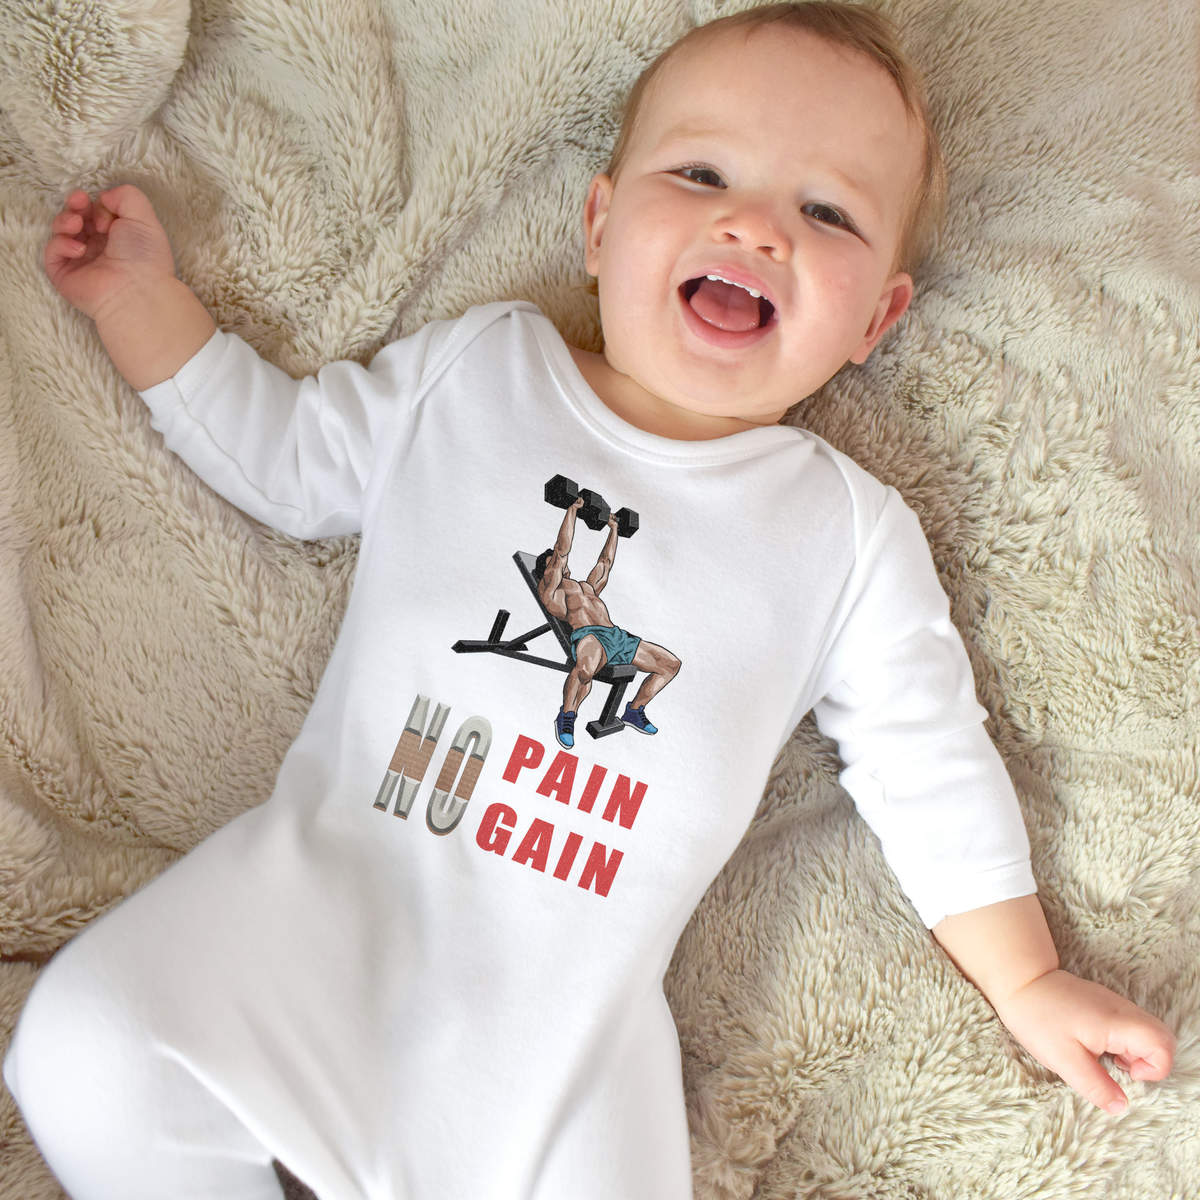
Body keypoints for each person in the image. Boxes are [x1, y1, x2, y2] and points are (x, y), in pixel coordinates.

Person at [5, 4, 1175, 1198]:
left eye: (827, 213)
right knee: (88, 1044)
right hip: (322, 905)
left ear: (876, 316)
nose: (755, 225)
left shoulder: (846, 535)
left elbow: (929, 762)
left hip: (562, 1034)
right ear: (601, 227)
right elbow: (290, 460)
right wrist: (139, 303)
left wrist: (1027, 977)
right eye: (703, 174)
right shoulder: (481, 375)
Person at [535, 498, 682, 747]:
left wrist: (614, 529)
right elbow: (561, 551)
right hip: (589, 637)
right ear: (546, 569)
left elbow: (605, 564)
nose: (562, 564)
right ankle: (567, 716)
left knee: (670, 664)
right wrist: (572, 510)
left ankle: (634, 710)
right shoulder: (551, 589)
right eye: (554, 563)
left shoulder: (586, 587)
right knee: (585, 670)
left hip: (616, 636)